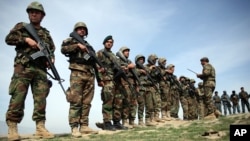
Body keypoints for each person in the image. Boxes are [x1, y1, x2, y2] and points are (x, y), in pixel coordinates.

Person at [5, 1, 55, 140]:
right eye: (31, 11)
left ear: (42, 16)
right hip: (24, 66)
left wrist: (51, 59)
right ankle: (13, 127)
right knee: (18, 97)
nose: (33, 13)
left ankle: (40, 127)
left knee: (41, 99)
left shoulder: (45, 33)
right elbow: (9, 39)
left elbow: (51, 49)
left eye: (37, 12)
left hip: (40, 69)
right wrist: (25, 39)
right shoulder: (22, 27)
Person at [61, 22, 100, 137]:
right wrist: (77, 46)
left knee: (87, 102)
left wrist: (99, 73)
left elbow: (93, 62)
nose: (82, 30)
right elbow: (63, 49)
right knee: (75, 100)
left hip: (90, 74)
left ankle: (84, 125)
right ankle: (74, 127)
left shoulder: (89, 46)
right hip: (77, 73)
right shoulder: (71, 40)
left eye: (84, 29)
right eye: (80, 29)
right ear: (76, 30)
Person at [96, 35, 127, 130]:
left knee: (118, 102)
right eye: (107, 42)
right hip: (107, 80)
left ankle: (117, 122)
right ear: (104, 43)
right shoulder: (100, 53)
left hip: (117, 81)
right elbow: (96, 67)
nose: (109, 43)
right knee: (108, 101)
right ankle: (107, 122)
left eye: (111, 42)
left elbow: (118, 67)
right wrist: (99, 79)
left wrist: (123, 68)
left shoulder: (114, 56)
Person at [116, 47, 138, 128]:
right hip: (124, 83)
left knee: (133, 103)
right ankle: (125, 121)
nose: (128, 52)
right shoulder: (118, 60)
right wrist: (128, 66)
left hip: (132, 84)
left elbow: (135, 75)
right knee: (126, 102)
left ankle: (131, 121)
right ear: (121, 52)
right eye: (125, 51)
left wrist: (137, 85)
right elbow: (118, 69)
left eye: (128, 51)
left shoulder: (130, 61)